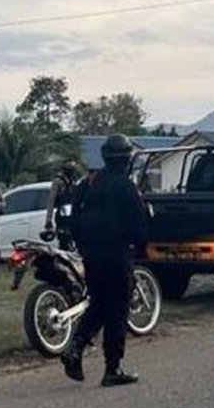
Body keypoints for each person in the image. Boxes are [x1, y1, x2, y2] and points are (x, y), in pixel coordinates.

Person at [60, 134, 149, 386]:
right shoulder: (125, 186)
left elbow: (74, 219)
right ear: (127, 158)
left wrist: (84, 246)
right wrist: (139, 245)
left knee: (99, 304)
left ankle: (75, 348)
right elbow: (139, 227)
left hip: (91, 255)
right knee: (117, 310)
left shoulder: (88, 183)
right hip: (116, 254)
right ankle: (113, 368)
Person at [44, 161, 81, 251]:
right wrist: (48, 220)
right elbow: (51, 201)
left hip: (73, 216)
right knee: (64, 242)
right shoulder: (58, 181)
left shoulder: (74, 181)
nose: (71, 173)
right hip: (63, 217)